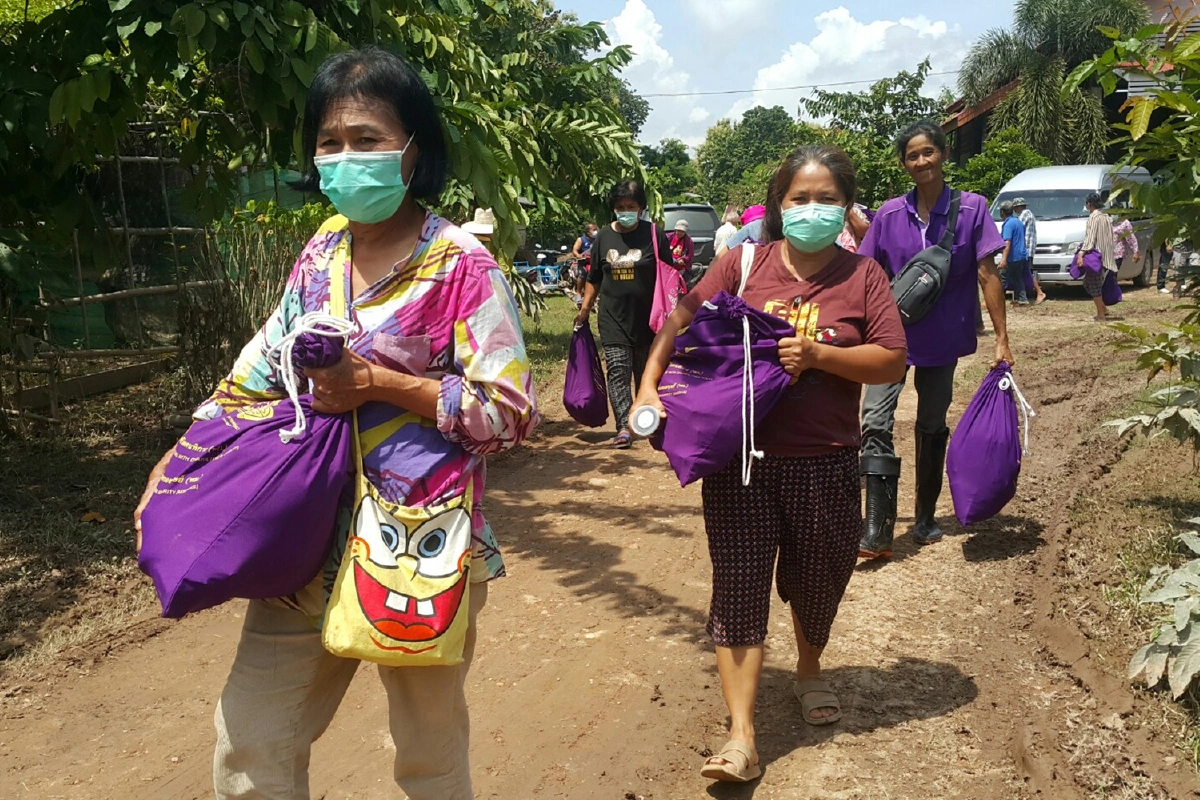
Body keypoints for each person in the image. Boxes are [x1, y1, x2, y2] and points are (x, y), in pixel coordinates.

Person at [133, 48, 538, 800]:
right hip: (300, 541)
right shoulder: (321, 251)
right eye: (331, 142)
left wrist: (381, 384)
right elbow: (260, 364)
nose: (347, 157)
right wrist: (179, 459)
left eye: (369, 139)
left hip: (419, 554)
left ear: (415, 150)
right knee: (250, 742)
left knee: (428, 753)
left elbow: (509, 415)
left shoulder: (461, 266)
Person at [633, 145, 907, 783]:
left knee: (818, 580)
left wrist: (818, 357)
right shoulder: (741, 262)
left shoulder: (863, 276)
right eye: (799, 199)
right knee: (739, 589)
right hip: (743, 464)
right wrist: (650, 384)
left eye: (826, 199)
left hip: (825, 461)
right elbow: (680, 319)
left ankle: (809, 670)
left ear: (845, 205)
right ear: (779, 205)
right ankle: (742, 735)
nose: (812, 209)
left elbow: (892, 360)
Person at [858, 120, 1012, 560]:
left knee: (930, 423)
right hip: (890, 338)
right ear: (904, 164)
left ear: (943, 154)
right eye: (912, 155)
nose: (921, 161)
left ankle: (924, 516)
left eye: (928, 152)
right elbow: (867, 275)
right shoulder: (889, 215)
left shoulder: (972, 209)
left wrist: (1002, 339)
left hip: (944, 338)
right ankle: (877, 528)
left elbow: (988, 274)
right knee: (874, 419)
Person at [573, 180, 674, 449]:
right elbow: (593, 277)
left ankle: (647, 420)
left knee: (645, 373)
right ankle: (624, 426)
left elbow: (671, 276)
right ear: (613, 209)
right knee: (618, 370)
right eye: (620, 207)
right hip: (612, 318)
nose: (625, 211)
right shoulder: (604, 237)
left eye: (631, 206)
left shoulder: (655, 234)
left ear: (641, 208)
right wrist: (584, 309)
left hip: (649, 320)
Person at [1073, 192, 1118, 322]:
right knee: (1088, 283)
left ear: (1089, 204)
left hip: (1096, 257)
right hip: (1107, 255)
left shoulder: (1094, 217)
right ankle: (1103, 308)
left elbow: (1090, 239)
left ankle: (1101, 314)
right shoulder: (1107, 217)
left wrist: (1081, 254)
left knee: (1094, 285)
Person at [1013, 197, 1047, 304]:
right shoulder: (1029, 214)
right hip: (1028, 248)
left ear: (1018, 207)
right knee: (1025, 272)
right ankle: (1025, 295)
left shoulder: (1024, 214)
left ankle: (1039, 292)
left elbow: (1017, 227)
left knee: (1027, 272)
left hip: (1025, 249)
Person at [999, 200, 1031, 305]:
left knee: (1001, 278)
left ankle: (996, 299)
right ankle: (1022, 299)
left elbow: (1007, 242)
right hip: (1021, 255)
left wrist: (1003, 259)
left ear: (1003, 212)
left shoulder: (1008, 224)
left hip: (1012, 256)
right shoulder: (1018, 222)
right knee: (1018, 278)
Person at [570, 222, 599, 296]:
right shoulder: (581, 240)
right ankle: (578, 293)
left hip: (594, 262)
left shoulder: (598, 239)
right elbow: (574, 250)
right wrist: (578, 255)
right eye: (594, 229)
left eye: (597, 229)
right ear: (588, 232)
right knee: (583, 274)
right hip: (583, 262)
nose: (596, 231)